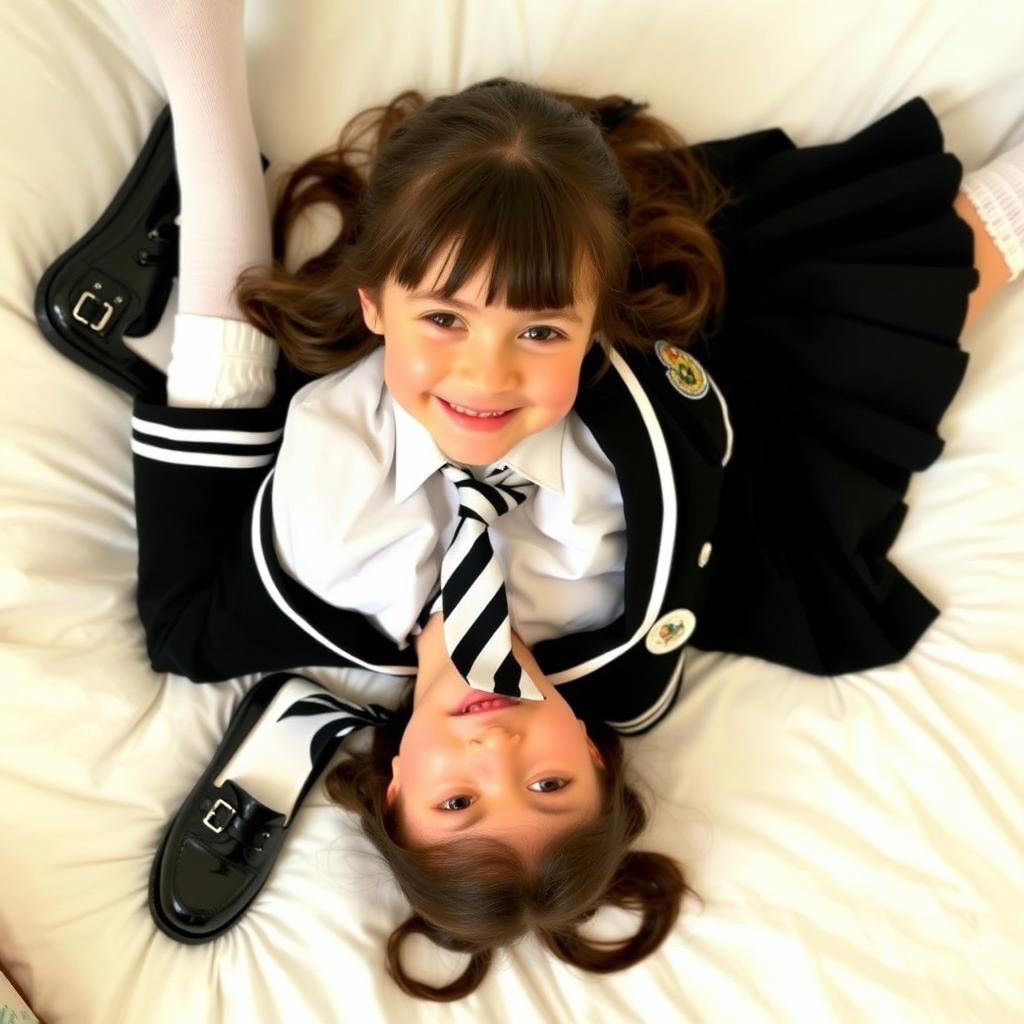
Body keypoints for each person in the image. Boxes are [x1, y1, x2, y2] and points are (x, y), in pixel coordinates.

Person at [35, 0, 1022, 1003]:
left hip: (414, 305)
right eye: (549, 785)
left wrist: (203, 82)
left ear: (393, 784)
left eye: (457, 797)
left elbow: (219, 384)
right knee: (875, 314)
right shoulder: (619, 630)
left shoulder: (282, 589)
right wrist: (563, 332)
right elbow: (746, 464)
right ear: (596, 754)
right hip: (627, 337)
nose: (497, 750)